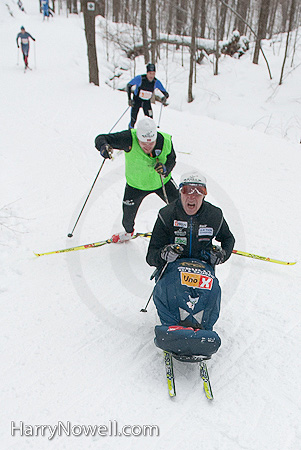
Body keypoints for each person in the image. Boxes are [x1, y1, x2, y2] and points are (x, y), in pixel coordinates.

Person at [146, 171, 235, 357]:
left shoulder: (214, 215)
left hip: (202, 266)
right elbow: (151, 255)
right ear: (180, 192)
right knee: (170, 291)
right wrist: (164, 254)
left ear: (204, 194)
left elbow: (228, 239)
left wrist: (222, 254)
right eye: (187, 190)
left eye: (198, 191)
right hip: (174, 265)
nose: (192, 196)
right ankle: (171, 328)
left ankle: (203, 330)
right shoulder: (167, 214)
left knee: (213, 292)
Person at [95, 117, 178, 243]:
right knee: (127, 218)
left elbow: (172, 159)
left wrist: (166, 168)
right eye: (143, 143)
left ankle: (184, 232)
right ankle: (128, 233)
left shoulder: (165, 140)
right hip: (136, 185)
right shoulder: (129, 138)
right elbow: (101, 138)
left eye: (151, 143)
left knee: (181, 206)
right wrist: (103, 147)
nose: (147, 147)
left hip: (162, 182)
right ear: (138, 138)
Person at [127, 63, 169, 129]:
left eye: (153, 73)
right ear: (147, 73)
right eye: (150, 73)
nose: (151, 76)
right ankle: (130, 134)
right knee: (133, 120)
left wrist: (164, 98)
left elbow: (166, 93)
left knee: (150, 120)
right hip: (136, 101)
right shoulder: (140, 78)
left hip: (146, 102)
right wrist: (129, 99)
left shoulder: (156, 82)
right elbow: (129, 85)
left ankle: (149, 135)